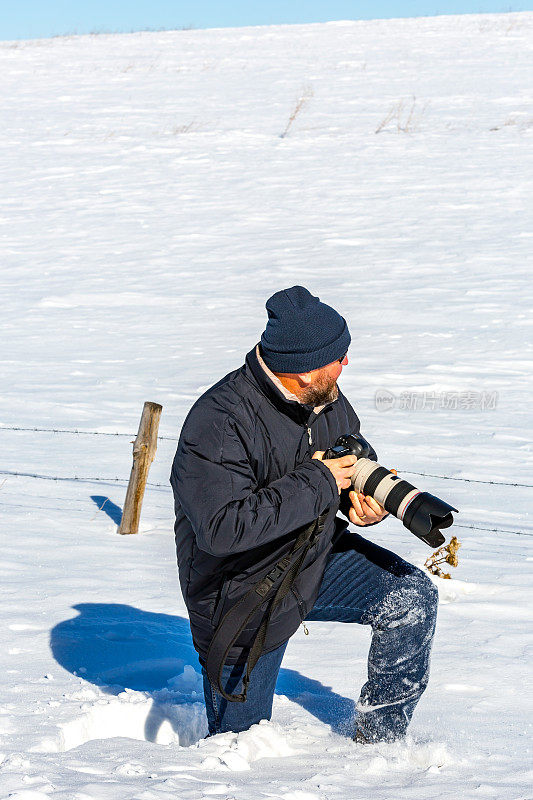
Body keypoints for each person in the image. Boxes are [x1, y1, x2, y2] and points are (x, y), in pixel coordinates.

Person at [170, 286, 438, 742]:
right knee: (242, 744)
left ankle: (379, 745)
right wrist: (321, 482)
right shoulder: (219, 419)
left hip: (312, 555)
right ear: (305, 370)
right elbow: (222, 529)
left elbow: (349, 447)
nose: (346, 364)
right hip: (243, 588)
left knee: (410, 599)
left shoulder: (324, 395)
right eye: (340, 357)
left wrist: (359, 500)